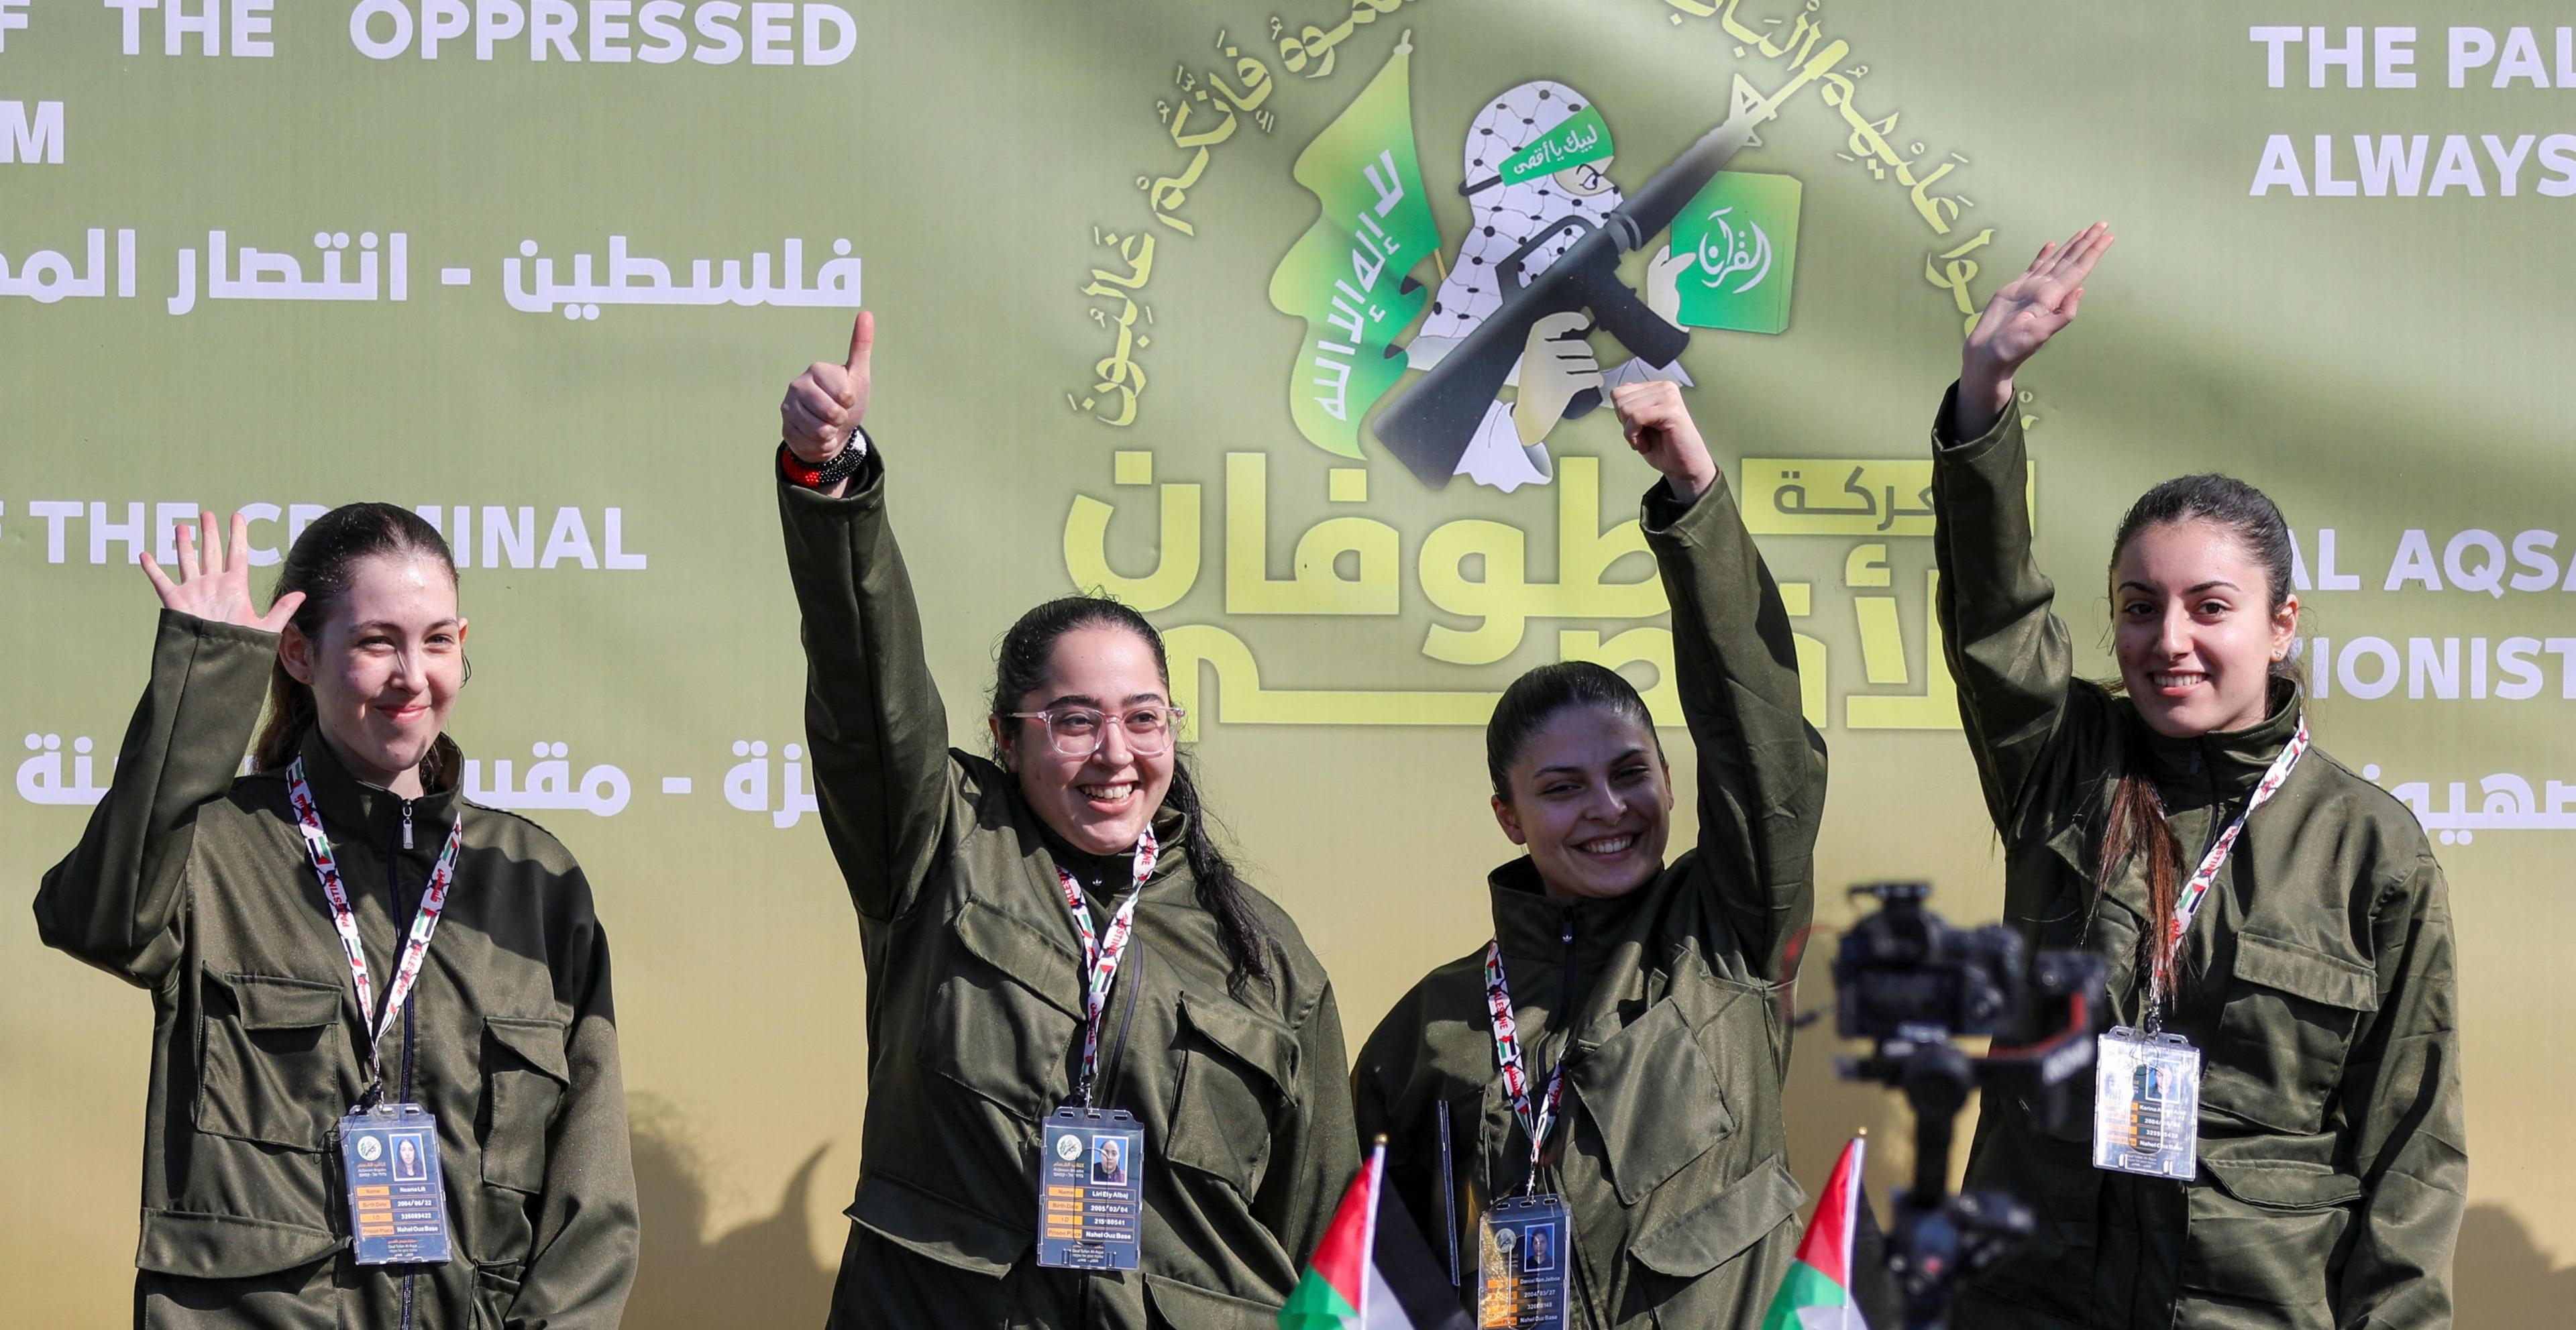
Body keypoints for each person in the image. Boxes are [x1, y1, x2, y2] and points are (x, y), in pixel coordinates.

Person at [771, 311, 1360, 1327]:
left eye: (1144, 719)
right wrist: (834, 484)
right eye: (1076, 721)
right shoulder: (942, 849)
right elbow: (870, 686)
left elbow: (1323, 1240)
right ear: (1006, 735)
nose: (1117, 754)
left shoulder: (1265, 954)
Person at [1930, 224, 2464, 1327]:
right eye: (2139, 605)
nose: (2169, 638)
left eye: (2210, 606)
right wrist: (1984, 391)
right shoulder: (2064, 764)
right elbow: (1993, 612)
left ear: (2280, 625)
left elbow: (2410, 1150)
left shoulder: (2370, 847)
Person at [36, 506, 637, 1328]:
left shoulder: (534, 881)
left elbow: (590, 1194)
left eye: (435, 641)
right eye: (375, 641)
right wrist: (209, 672)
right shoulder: (215, 847)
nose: (412, 676)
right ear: (298, 653)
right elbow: (95, 918)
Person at [1352, 381, 1827, 1327]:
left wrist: (1695, 497)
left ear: (1670, 779)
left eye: (1629, 772)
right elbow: (1359, 1231)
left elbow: (1763, 744)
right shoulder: (1435, 1021)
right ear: (1509, 815)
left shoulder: (1728, 936)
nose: (1608, 809)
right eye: (1563, 788)